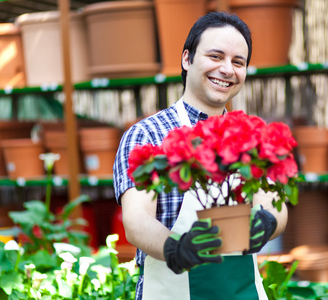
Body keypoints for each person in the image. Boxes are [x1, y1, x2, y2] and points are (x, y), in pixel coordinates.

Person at [113, 11, 288, 300]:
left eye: (238, 62)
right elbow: (135, 220)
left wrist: (268, 222)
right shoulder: (148, 135)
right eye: (215, 56)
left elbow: (275, 207)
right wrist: (176, 248)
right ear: (187, 59)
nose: (227, 69)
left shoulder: (252, 138)